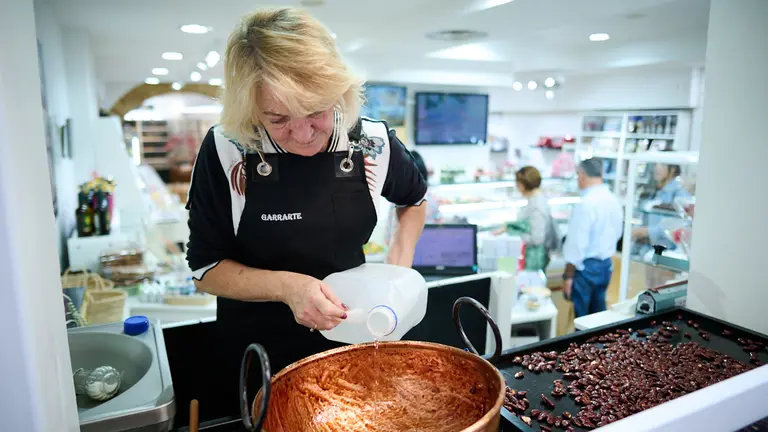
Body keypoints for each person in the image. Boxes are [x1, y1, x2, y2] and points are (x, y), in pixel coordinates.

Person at [185, 7, 427, 416]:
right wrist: (289, 288)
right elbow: (205, 269)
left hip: (354, 332)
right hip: (258, 348)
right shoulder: (228, 149)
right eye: (277, 119)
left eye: (316, 111)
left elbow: (414, 200)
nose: (302, 135)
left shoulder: (370, 142)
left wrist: (396, 277)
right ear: (250, 109)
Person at [562, 158, 623, 318]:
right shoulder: (613, 199)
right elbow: (618, 232)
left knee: (582, 321)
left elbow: (576, 244)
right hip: (606, 265)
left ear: (582, 175)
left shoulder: (586, 203)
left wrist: (568, 276)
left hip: (585, 270)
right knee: (598, 319)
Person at [504, 166, 560, 271]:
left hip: (533, 260)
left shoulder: (537, 205)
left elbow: (537, 238)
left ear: (522, 185)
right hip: (530, 257)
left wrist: (514, 232)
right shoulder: (535, 200)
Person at [632, 163, 691, 251]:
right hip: (645, 248)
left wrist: (647, 231)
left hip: (666, 251)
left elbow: (681, 225)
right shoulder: (655, 191)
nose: (657, 168)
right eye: (655, 165)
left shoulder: (680, 194)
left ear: (673, 169)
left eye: (662, 165)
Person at [384, 150, 440, 244]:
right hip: (429, 250)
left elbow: (388, 238)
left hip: (405, 252)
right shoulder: (431, 200)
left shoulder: (397, 201)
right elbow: (438, 230)